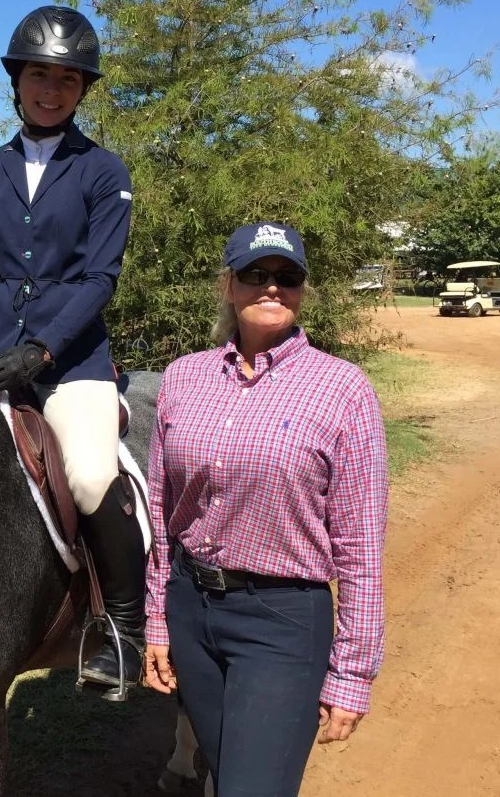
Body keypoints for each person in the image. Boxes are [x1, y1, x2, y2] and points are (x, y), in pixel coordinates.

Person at [0, 5, 143, 691]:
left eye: (68, 81)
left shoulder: (104, 172)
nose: (52, 90)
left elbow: (100, 279)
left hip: (71, 362)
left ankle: (124, 631)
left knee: (84, 475)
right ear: (17, 81)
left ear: (83, 91)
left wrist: (46, 350)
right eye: (40, 76)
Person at [141, 222, 388, 795]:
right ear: (228, 285)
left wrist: (352, 672)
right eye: (255, 274)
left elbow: (360, 547)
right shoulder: (183, 377)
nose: (271, 287)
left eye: (287, 276)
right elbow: (161, 509)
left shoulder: (343, 389)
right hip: (190, 606)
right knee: (226, 773)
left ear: (302, 289)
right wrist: (158, 617)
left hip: (281, 621)